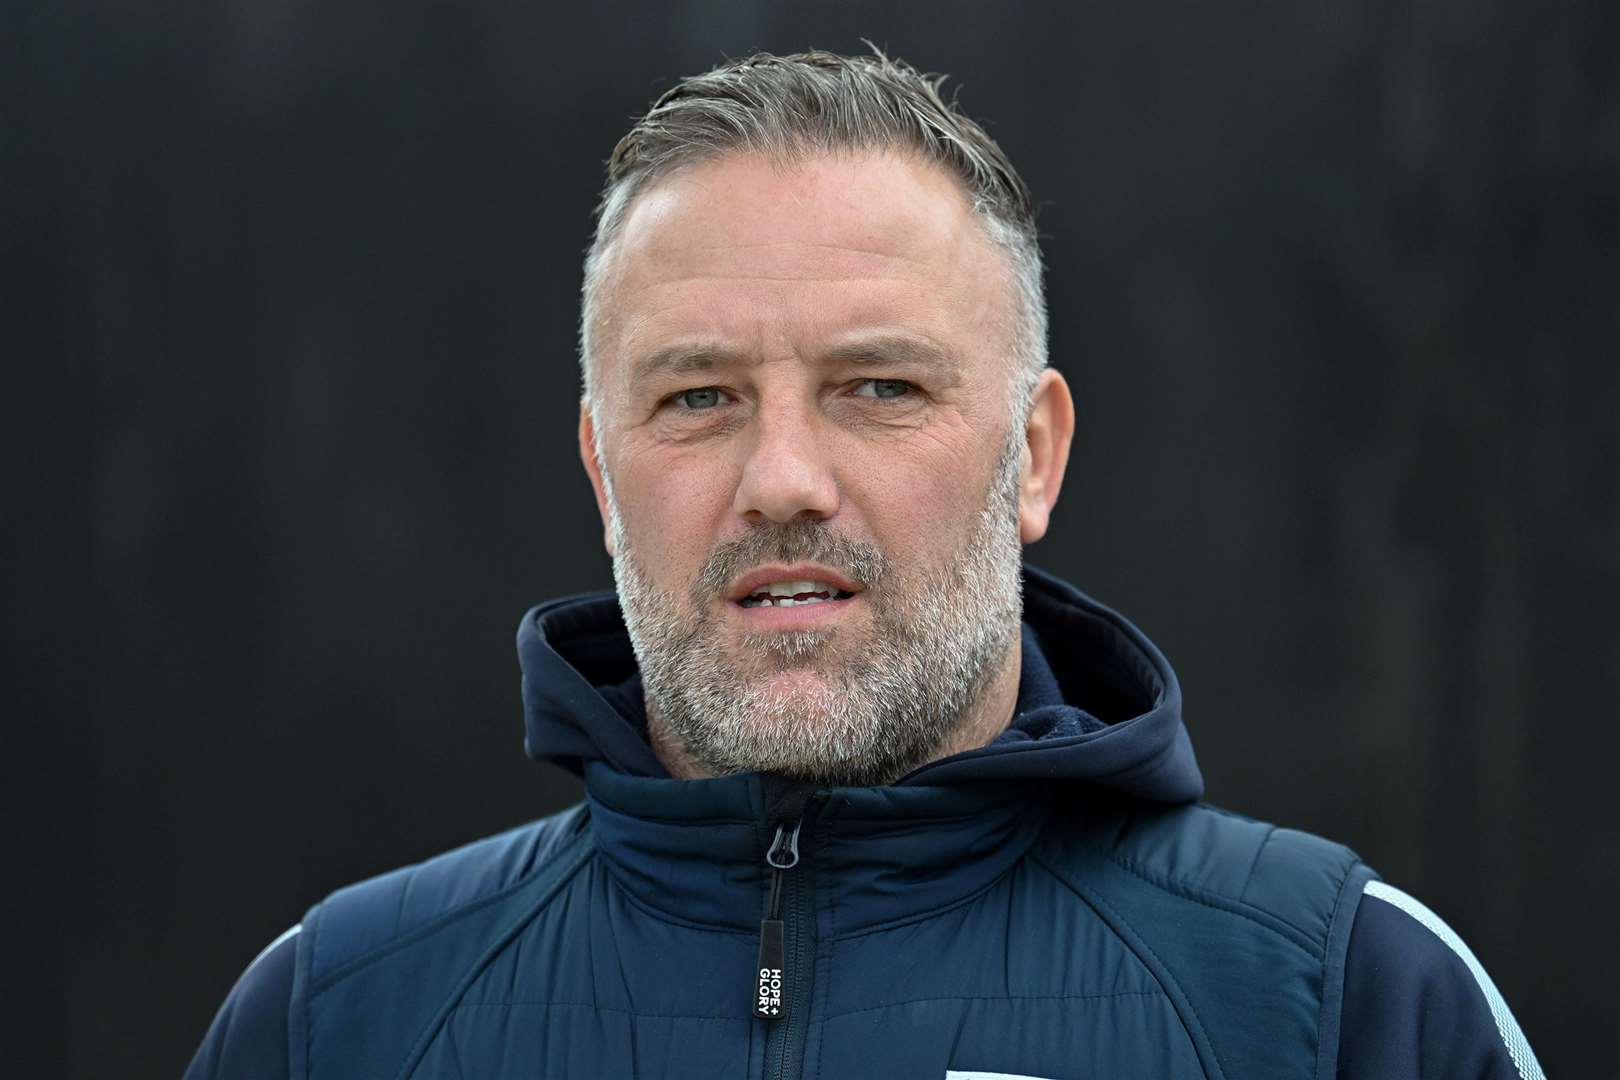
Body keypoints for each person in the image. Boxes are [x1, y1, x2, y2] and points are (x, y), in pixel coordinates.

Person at [187, 49, 1543, 1080]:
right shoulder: (339, 1016)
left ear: (1037, 455)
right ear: (604, 471)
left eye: (878, 385)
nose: (783, 479)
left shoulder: (1342, 998)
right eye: (699, 397)